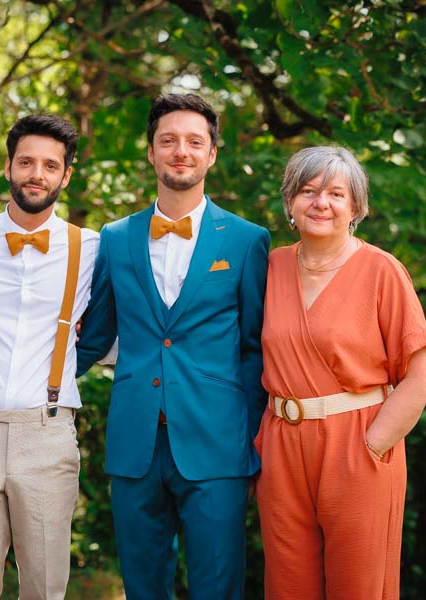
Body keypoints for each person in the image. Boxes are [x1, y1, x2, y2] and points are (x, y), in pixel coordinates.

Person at [76, 93, 270, 599]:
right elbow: (94, 336)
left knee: (217, 588)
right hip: (135, 444)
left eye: (193, 141)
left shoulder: (247, 240)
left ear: (210, 154)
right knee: (143, 588)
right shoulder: (115, 238)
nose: (180, 150)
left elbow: (254, 349)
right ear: (151, 153)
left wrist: (249, 439)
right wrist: (29, 383)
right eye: (168, 140)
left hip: (218, 445)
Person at [255, 146, 426, 599]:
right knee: (287, 584)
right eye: (308, 190)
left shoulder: (382, 270)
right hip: (282, 442)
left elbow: (422, 374)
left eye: (336, 193)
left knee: (358, 586)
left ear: (355, 207)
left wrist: (374, 444)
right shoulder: (270, 264)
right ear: (290, 204)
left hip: (356, 442)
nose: (321, 202)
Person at [0, 114, 97, 599]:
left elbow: (111, 332)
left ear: (65, 175)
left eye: (50, 165)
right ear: (8, 166)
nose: (37, 173)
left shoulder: (91, 248)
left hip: (48, 433)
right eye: (26, 161)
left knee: (45, 587)